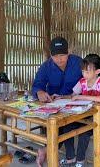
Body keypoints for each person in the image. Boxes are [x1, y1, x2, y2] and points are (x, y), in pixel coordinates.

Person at [31, 36, 83, 166]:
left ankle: (46, 150)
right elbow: (37, 85)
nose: (59, 59)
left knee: (64, 124)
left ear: (68, 52)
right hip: (55, 104)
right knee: (55, 121)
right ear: (50, 55)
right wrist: (40, 92)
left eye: (62, 55)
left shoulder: (78, 63)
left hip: (75, 103)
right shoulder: (46, 66)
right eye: (55, 56)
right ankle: (48, 150)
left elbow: (91, 80)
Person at [59, 54, 100, 167]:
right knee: (67, 127)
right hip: (85, 114)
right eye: (83, 71)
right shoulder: (82, 81)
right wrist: (59, 97)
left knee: (84, 132)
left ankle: (80, 161)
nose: (84, 74)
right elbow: (73, 95)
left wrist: (82, 97)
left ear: (97, 71)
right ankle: (70, 158)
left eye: (87, 72)